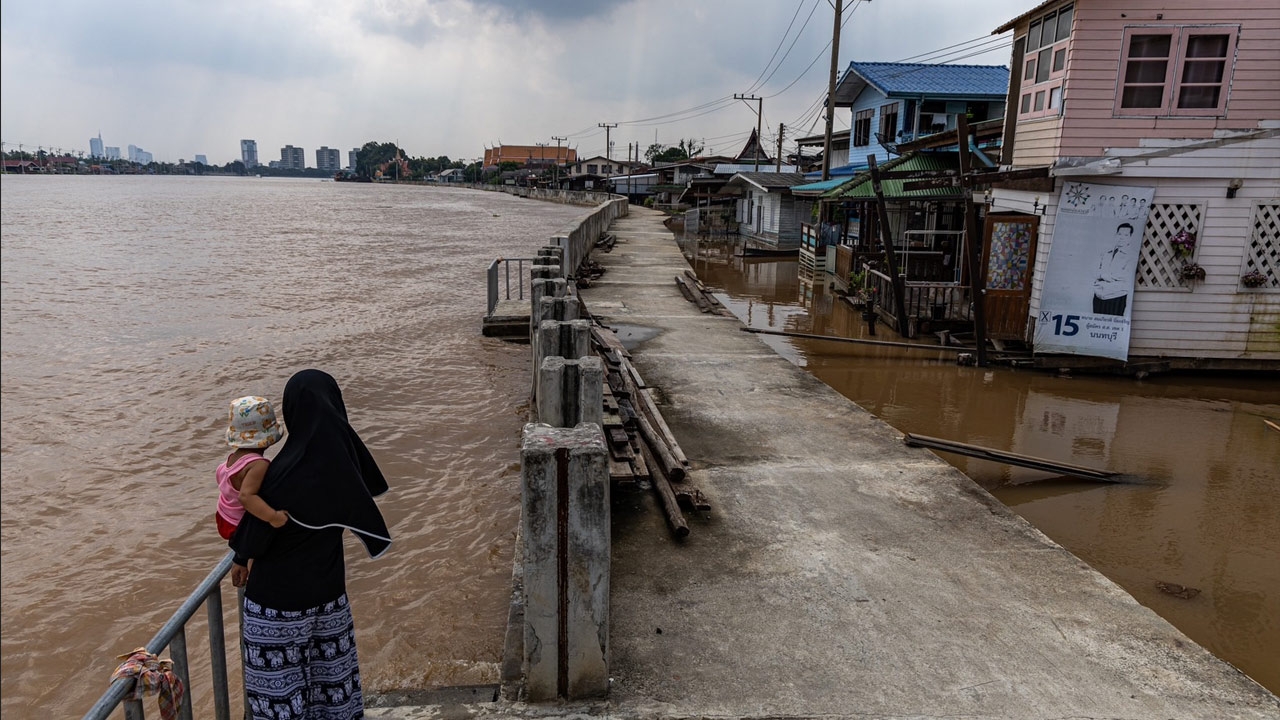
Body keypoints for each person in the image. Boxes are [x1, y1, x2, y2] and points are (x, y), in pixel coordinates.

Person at [230, 369, 392, 720]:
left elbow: (254, 533)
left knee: (281, 701)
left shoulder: (281, 472)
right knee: (332, 693)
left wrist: (241, 557)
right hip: (329, 601)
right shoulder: (345, 463)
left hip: (276, 609)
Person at [215, 396, 287, 540]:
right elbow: (246, 497)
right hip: (239, 524)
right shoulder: (259, 464)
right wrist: (274, 517)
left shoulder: (230, 461)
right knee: (254, 555)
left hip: (223, 517)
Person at [1093, 223, 1137, 317]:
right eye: (1120, 234)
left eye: (1125, 235)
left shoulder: (1131, 256)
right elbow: (1095, 271)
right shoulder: (1106, 253)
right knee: (1096, 324)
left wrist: (1103, 275)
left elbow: (1125, 276)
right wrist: (1104, 276)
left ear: (1130, 237)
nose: (1122, 237)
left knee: (1111, 325)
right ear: (1116, 235)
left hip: (1116, 296)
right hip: (1099, 295)